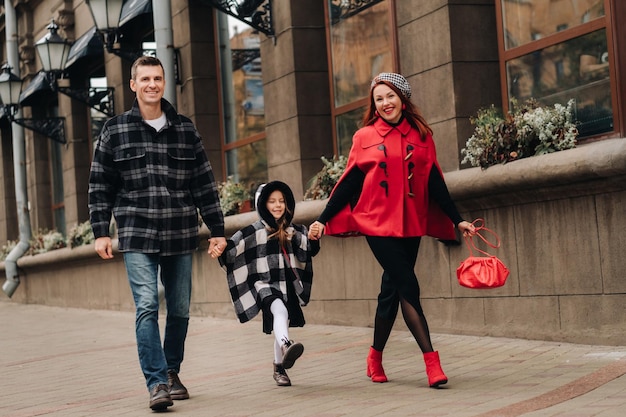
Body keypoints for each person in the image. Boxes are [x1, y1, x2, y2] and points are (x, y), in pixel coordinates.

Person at [308, 72, 475, 388]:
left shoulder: (423, 136)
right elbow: (349, 183)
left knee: (391, 293)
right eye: (378, 99)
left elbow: (435, 181)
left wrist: (457, 219)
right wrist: (323, 218)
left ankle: (374, 356)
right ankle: (432, 363)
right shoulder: (364, 136)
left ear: (402, 98)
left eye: (390, 96)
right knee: (408, 285)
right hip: (376, 223)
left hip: (410, 224)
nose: (385, 103)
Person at [88, 56, 226, 411]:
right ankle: (156, 383)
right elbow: (100, 185)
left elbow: (204, 184)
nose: (152, 84)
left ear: (164, 83)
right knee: (147, 306)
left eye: (158, 78)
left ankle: (172, 371)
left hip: (180, 229)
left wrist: (218, 229)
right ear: (133, 85)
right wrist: (100, 231)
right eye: (145, 78)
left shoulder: (185, 128)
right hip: (136, 231)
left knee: (179, 309)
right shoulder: (115, 130)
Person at [211, 181, 320, 386]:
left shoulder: (294, 230)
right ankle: (287, 345)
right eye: (272, 201)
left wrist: (314, 236)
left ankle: (279, 367)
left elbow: (309, 250)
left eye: (281, 201)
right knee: (280, 312)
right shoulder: (254, 231)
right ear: (263, 205)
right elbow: (231, 250)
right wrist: (220, 248)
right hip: (264, 285)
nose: (277, 205)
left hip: (287, 284)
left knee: (282, 321)